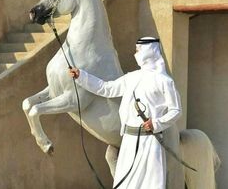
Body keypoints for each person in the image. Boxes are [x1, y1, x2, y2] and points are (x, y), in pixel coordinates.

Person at [69, 37, 182, 189]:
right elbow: (106, 88)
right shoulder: (131, 77)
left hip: (150, 142)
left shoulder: (164, 81)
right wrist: (82, 76)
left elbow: (176, 110)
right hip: (128, 141)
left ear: (149, 51)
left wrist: (156, 123)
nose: (136, 54)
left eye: (138, 50)